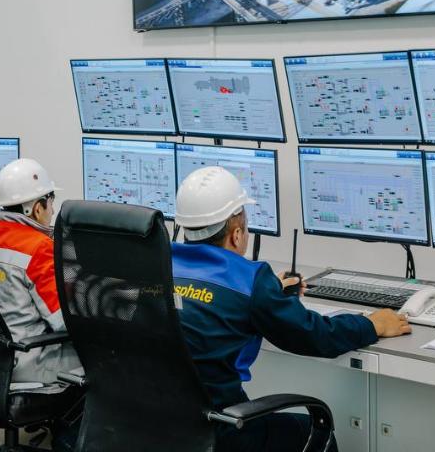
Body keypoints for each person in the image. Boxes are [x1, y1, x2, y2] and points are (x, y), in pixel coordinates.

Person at [171, 166, 411, 452]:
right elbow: (315, 335)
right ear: (236, 235)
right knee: (315, 431)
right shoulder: (250, 281)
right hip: (220, 431)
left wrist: (271, 292)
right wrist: (372, 325)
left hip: (156, 426)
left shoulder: (155, 265)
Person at [0, 158, 82, 450]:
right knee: (102, 364)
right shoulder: (39, 249)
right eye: (51, 201)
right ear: (37, 208)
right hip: (26, 363)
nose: (52, 210)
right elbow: (64, 321)